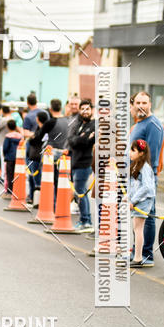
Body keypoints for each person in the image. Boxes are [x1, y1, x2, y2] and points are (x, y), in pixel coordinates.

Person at [129, 91, 164, 266]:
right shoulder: (140, 123)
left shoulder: (153, 125)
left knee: (148, 215)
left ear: (150, 104)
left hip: (146, 177)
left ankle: (146, 254)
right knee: (139, 217)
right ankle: (138, 250)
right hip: (137, 175)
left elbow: (152, 155)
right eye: (138, 102)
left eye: (144, 102)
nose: (141, 106)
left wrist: (145, 177)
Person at [68, 99, 95, 232]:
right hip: (75, 162)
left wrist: (81, 139)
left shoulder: (94, 125)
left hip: (85, 163)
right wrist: (82, 138)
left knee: (80, 192)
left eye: (87, 109)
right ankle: (85, 220)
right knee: (80, 191)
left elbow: (85, 142)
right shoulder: (78, 124)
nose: (85, 111)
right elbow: (71, 141)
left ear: (92, 111)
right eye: (83, 109)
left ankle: (86, 221)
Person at [129, 139, 156, 267]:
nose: (130, 153)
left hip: (144, 201)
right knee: (136, 229)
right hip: (138, 200)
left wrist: (133, 201)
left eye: (133, 150)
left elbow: (146, 187)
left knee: (138, 229)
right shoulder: (135, 165)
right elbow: (133, 186)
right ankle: (136, 255)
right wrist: (128, 199)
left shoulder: (144, 167)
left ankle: (138, 258)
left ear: (141, 153)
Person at [25, 110, 50, 203]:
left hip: (36, 156)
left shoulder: (42, 130)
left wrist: (32, 137)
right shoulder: (42, 129)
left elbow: (35, 140)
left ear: (38, 119)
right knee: (33, 178)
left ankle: (36, 199)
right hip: (36, 156)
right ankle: (32, 197)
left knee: (36, 179)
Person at [2, 119, 23, 196]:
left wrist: (5, 155)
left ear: (7, 127)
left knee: (9, 175)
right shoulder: (20, 136)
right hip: (18, 158)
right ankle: (16, 190)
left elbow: (5, 148)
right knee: (16, 175)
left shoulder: (8, 136)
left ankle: (9, 191)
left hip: (10, 158)